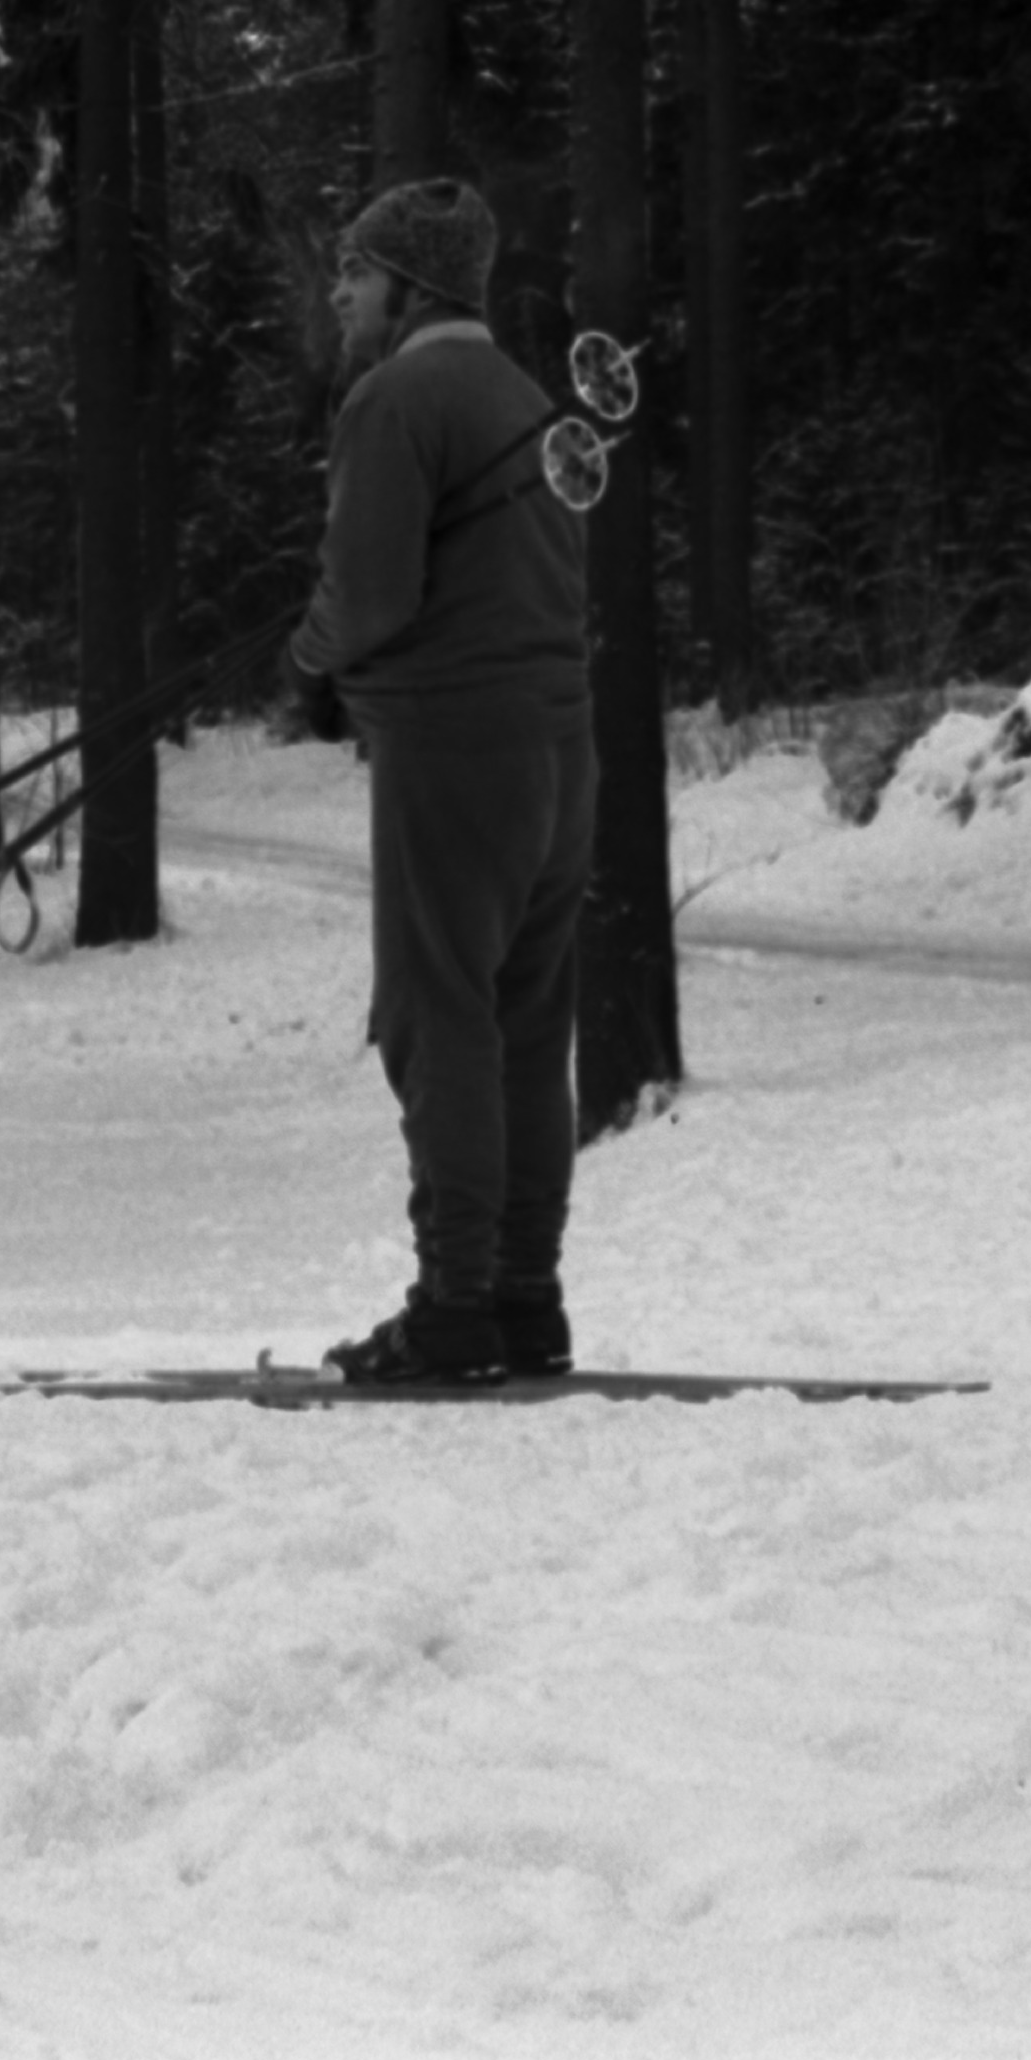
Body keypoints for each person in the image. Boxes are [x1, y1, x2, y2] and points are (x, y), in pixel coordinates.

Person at [287, 178, 595, 1384]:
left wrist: (307, 661)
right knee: (525, 1024)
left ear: (410, 288)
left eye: (355, 273)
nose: (339, 293)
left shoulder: (393, 398)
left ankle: (453, 1305)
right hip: (559, 751)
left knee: (439, 1018)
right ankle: (524, 1297)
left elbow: (366, 596)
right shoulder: (524, 398)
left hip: (451, 750)